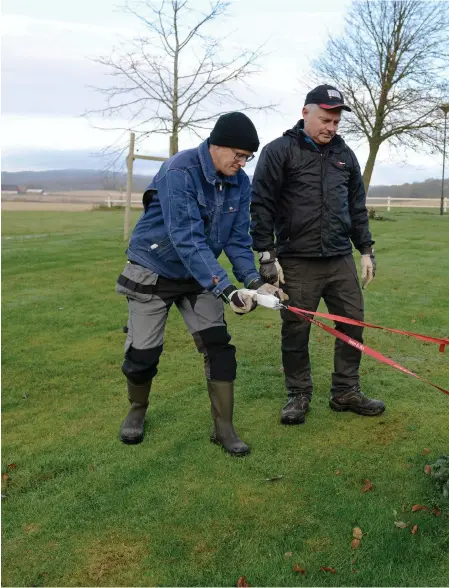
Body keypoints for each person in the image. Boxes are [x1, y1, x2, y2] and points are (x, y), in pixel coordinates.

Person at [116, 112, 285, 456]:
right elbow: (187, 239)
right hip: (154, 267)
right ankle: (137, 410)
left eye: (247, 157)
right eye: (238, 155)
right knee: (142, 355)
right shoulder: (180, 171)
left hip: (198, 275)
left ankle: (224, 429)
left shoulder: (240, 182)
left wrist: (254, 282)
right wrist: (226, 289)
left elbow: (238, 240)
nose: (243, 163)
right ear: (216, 144)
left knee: (219, 347)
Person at [250, 84, 385, 425]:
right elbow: (261, 203)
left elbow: (356, 206)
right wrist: (266, 253)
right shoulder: (279, 151)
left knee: (353, 326)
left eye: (336, 122)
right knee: (296, 329)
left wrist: (365, 250)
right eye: (326, 119)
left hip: (339, 259)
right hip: (296, 260)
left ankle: (346, 391)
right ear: (305, 112)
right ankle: (298, 394)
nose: (331, 127)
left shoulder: (345, 156)